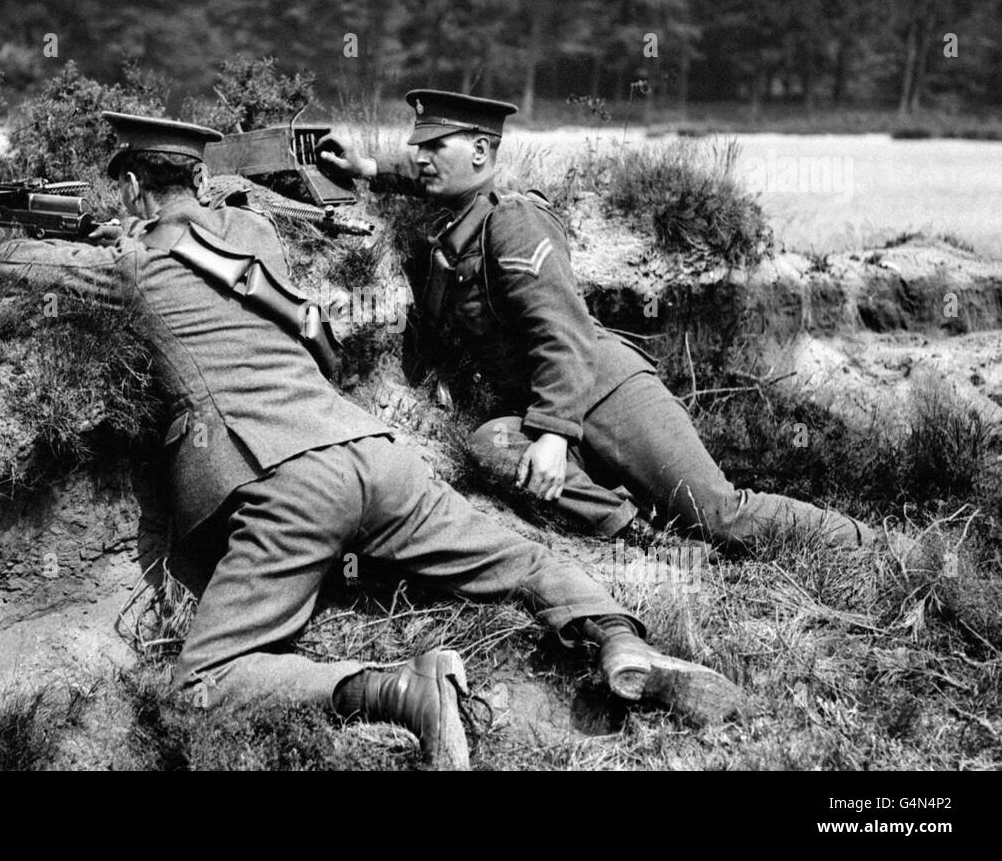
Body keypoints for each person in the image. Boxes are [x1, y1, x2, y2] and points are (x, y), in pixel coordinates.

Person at [0, 112, 743, 771]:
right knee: (516, 560)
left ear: (129, 189)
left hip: (279, 482)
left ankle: (405, 691)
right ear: (197, 178)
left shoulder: (133, 267)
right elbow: (237, 245)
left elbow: (8, 264)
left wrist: (97, 236)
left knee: (202, 682)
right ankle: (618, 640)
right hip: (375, 455)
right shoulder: (252, 235)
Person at [320, 90, 880, 553]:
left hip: (607, 390)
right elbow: (422, 178)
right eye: (417, 148)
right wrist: (367, 169)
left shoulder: (512, 224)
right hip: (550, 403)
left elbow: (558, 334)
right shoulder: (464, 208)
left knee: (718, 515)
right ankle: (644, 535)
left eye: (434, 146)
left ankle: (875, 545)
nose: (419, 158)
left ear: (481, 151)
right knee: (491, 445)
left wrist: (552, 436)